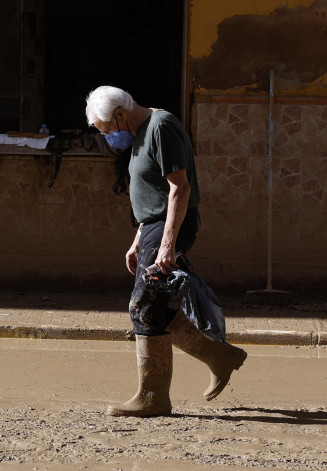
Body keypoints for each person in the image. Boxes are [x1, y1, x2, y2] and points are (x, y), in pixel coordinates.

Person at [85, 86, 248, 417]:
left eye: (107, 130)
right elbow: (151, 195)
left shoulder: (161, 126)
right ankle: (220, 357)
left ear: (120, 113)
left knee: (141, 305)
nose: (109, 138)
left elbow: (180, 187)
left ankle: (152, 397)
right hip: (153, 228)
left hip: (169, 228)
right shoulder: (140, 134)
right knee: (153, 308)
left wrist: (167, 244)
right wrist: (137, 240)